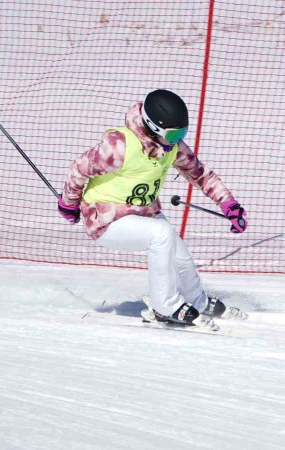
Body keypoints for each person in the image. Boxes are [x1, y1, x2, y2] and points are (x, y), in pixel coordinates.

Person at [57, 89, 248, 330]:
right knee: (162, 234)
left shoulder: (171, 147)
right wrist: (69, 203)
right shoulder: (119, 147)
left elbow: (200, 174)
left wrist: (229, 204)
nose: (178, 139)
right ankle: (165, 307)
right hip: (106, 219)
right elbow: (79, 168)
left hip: (145, 214)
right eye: (174, 134)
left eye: (183, 132)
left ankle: (196, 301)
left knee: (180, 257)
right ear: (153, 127)